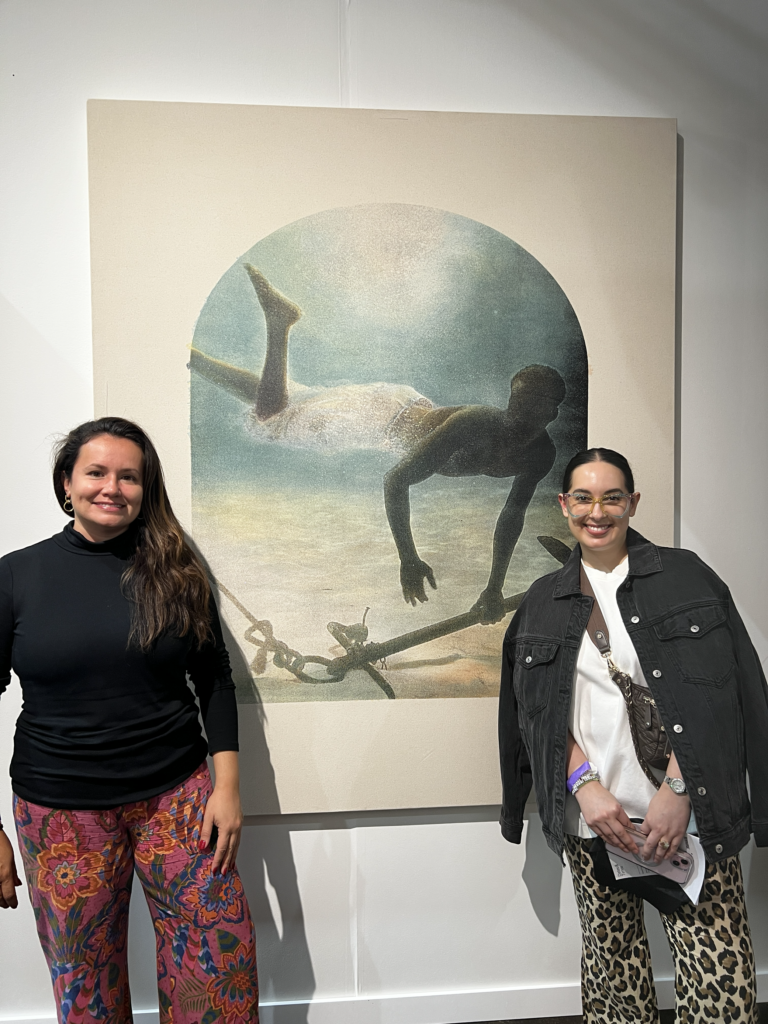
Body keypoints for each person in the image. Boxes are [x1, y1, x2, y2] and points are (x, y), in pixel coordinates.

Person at [0, 417, 259, 1023]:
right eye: (96, 472)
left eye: (129, 476)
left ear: (146, 489)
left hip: (180, 800)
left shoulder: (175, 570)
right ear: (67, 484)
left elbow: (214, 679)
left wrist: (227, 788)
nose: (112, 487)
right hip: (59, 812)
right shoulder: (15, 576)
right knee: (85, 989)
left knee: (218, 976)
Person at [498, 447, 765, 1023]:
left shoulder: (687, 578)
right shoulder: (543, 602)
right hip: (596, 822)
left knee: (717, 980)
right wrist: (584, 789)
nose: (598, 511)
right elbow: (535, 712)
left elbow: (728, 694)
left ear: (632, 503)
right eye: (584, 497)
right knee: (612, 979)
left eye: (612, 496)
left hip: (690, 820)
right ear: (564, 505)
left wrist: (678, 789)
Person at [191, 265, 566, 622]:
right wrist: (409, 558)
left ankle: (193, 360)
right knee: (275, 418)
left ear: (552, 416)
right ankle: (279, 324)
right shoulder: (476, 423)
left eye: (533, 412)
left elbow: (511, 516)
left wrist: (493, 589)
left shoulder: (540, 455)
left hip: (395, 408)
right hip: (380, 419)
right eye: (516, 405)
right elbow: (396, 480)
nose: (518, 418)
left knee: (290, 401)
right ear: (509, 400)